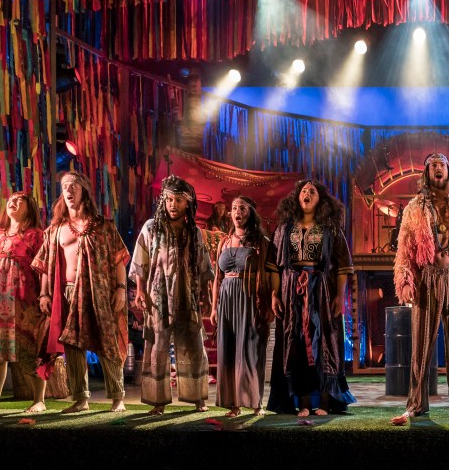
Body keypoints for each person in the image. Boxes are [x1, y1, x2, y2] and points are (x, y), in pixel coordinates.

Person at [390, 153, 449, 425]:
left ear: (448, 172)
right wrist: (405, 281)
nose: (437, 169)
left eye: (441, 165)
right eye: (432, 165)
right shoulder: (414, 208)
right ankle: (416, 404)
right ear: (427, 173)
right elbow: (405, 247)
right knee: (421, 345)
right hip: (427, 278)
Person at [32, 171, 130, 413]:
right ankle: (80, 399)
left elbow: (118, 259)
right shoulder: (55, 230)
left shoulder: (103, 226)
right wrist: (44, 294)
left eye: (73, 185)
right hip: (65, 292)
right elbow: (44, 265)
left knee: (107, 342)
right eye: (65, 185)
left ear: (83, 191)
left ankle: (117, 397)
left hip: (98, 291)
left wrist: (120, 289)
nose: (68, 189)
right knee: (72, 344)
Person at [267, 180, 356, 416]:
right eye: (303, 191)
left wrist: (339, 296)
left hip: (322, 291)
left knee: (325, 342)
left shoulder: (330, 229)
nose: (307, 193)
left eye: (312, 192)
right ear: (297, 198)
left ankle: (326, 402)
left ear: (320, 200)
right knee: (295, 344)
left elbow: (342, 266)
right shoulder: (284, 230)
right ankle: (303, 403)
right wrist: (275, 295)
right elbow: (274, 266)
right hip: (291, 292)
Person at [131, 175, 214, 414]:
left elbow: (203, 267)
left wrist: (207, 297)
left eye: (178, 200)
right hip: (158, 295)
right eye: (169, 200)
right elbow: (141, 261)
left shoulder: (194, 233)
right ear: (163, 201)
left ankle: (197, 398)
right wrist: (140, 290)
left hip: (187, 295)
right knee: (158, 346)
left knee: (193, 345)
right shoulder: (151, 228)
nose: (173, 205)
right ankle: (158, 402)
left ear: (188, 203)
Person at [0, 191, 47, 413]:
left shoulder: (36, 235)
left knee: (30, 348)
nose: (13, 203)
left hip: (25, 301)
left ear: (30, 207)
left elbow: (45, 268)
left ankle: (39, 400)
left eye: (19, 200)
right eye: (11, 200)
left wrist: (45, 295)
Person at [210, 196, 277, 417]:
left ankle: (255, 402)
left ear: (251, 213)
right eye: (234, 208)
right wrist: (214, 308)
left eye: (242, 208)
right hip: (227, 300)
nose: (237, 212)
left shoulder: (261, 243)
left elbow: (270, 275)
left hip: (250, 299)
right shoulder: (224, 242)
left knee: (250, 349)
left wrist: (270, 303)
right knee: (229, 350)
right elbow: (217, 278)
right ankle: (234, 404)